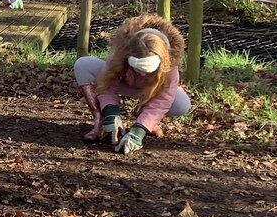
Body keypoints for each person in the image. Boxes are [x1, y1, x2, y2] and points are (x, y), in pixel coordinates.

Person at [74, 14, 191, 155]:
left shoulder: (170, 66)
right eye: (137, 69)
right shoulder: (122, 52)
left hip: (149, 89)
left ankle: (147, 122)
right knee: (83, 65)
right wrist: (111, 112)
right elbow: (107, 83)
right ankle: (101, 121)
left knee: (181, 104)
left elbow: (163, 100)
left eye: (147, 71)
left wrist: (139, 130)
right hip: (124, 83)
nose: (141, 74)